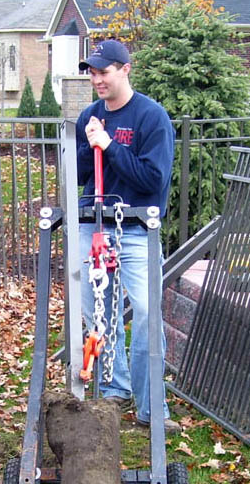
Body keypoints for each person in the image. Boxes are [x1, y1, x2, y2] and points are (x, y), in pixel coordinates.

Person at [75, 39, 180, 433]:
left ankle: (152, 407)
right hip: (95, 228)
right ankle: (113, 388)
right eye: (93, 72)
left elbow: (155, 180)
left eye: (104, 71)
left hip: (137, 231)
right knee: (99, 317)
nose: (97, 79)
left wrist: (109, 147)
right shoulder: (90, 114)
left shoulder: (151, 118)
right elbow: (82, 175)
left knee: (149, 316)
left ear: (125, 69)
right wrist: (88, 145)